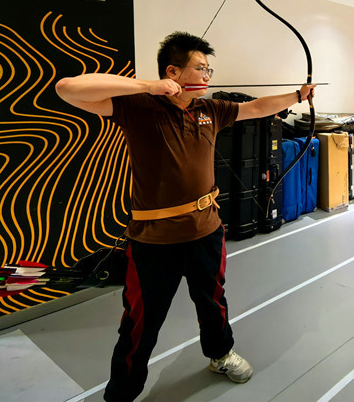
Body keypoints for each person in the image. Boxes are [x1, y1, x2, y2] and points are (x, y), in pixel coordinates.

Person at [55, 31, 316, 402]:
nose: (207, 76)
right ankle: (121, 394)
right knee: (140, 321)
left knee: (213, 301)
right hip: (153, 240)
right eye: (200, 68)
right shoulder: (139, 107)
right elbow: (67, 88)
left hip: (206, 230)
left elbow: (257, 107)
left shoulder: (210, 109)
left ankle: (220, 354)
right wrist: (148, 86)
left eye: (209, 70)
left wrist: (297, 96)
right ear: (173, 72)